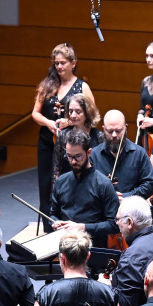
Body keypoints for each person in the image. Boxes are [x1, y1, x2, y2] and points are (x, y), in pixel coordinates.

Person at [32, 43, 96, 229]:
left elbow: (92, 114)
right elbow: (35, 113)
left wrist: (68, 122)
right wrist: (48, 122)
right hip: (47, 140)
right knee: (46, 183)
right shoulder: (47, 85)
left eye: (63, 63)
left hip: (72, 143)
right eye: (56, 63)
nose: (59, 67)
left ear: (73, 63)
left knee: (69, 179)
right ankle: (48, 225)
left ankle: (69, 222)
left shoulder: (82, 86)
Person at [49, 128, 119, 245]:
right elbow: (53, 214)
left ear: (89, 152)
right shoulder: (61, 181)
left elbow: (114, 225)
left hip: (93, 247)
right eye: (69, 156)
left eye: (78, 157)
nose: (73, 162)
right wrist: (55, 222)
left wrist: (82, 227)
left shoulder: (103, 184)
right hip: (65, 245)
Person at [104, 195, 153, 306]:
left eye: (118, 219)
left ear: (129, 222)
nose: (117, 223)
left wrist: (106, 288)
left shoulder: (131, 257)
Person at [90, 110, 153, 200]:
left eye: (118, 130)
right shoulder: (94, 154)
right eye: (110, 131)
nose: (114, 135)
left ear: (126, 128)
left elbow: (149, 185)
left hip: (131, 210)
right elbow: (87, 186)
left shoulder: (139, 153)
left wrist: (125, 197)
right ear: (103, 129)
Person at [53, 93, 103, 180]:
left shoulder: (99, 136)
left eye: (78, 111)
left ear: (87, 113)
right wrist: (56, 191)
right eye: (70, 111)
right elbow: (56, 169)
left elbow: (103, 167)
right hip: (68, 186)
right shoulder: (62, 135)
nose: (73, 115)